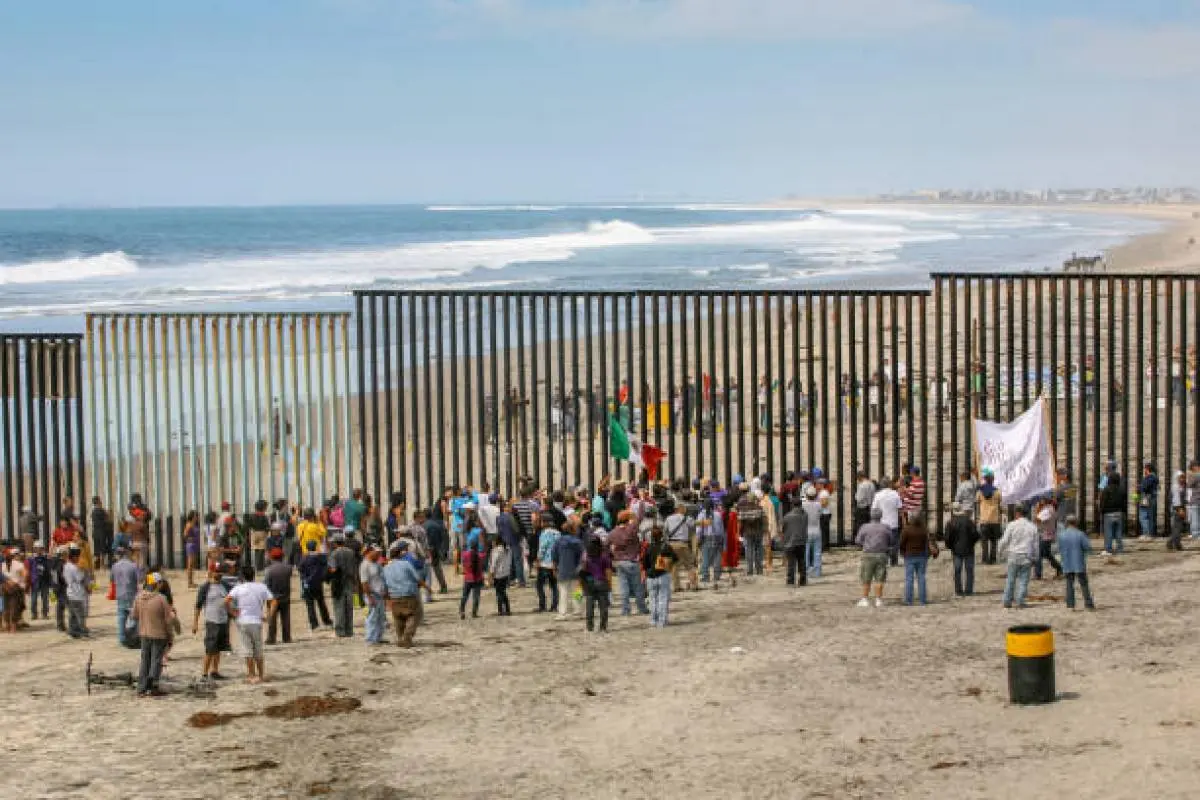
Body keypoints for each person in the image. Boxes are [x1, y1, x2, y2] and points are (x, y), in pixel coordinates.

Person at [224, 564, 276, 684]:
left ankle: (251, 675)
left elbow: (226, 601)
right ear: (254, 575)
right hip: (256, 621)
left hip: (242, 621)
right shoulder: (261, 587)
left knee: (247, 650)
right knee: (258, 649)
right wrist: (269, 615)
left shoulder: (238, 588)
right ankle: (261, 675)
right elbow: (274, 601)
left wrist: (232, 612)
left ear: (242, 576)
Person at [131, 574, 174, 696]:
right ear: (157, 584)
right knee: (156, 661)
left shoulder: (139, 597)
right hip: (159, 634)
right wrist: (170, 635)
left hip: (144, 634)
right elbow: (168, 620)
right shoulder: (161, 599)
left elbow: (134, 615)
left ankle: (141, 688)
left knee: (145, 660)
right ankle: (152, 687)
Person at [382, 540, 427, 647]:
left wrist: (387, 598)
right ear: (400, 554)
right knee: (414, 615)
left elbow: (384, 584)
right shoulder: (406, 564)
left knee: (398, 618)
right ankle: (407, 637)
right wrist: (426, 587)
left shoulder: (385, 568)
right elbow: (417, 578)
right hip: (409, 593)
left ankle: (400, 638)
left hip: (394, 595)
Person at [192, 563, 230, 680]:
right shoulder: (205, 587)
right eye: (217, 571)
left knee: (219, 647)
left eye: (220, 572)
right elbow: (198, 606)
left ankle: (214, 671)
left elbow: (231, 600)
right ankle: (204, 673)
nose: (219, 574)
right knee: (210, 648)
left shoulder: (226, 585)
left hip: (224, 621)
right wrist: (195, 623)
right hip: (212, 621)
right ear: (211, 572)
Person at [997, 505, 1039, 610]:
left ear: (1017, 514)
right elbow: (1035, 544)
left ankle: (1007, 601)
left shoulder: (1012, 525)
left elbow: (1005, 540)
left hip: (1013, 555)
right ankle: (1020, 601)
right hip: (1026, 556)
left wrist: (1000, 551)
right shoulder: (1032, 527)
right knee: (1023, 581)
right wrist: (1035, 557)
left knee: (1010, 579)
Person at [1057, 514, 1096, 611]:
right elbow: (1087, 547)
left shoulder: (1061, 535)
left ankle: (1071, 605)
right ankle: (1088, 604)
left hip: (1067, 562)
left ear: (1066, 523)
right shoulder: (1080, 534)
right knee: (1084, 584)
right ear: (1076, 523)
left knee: (1069, 584)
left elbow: (1059, 549)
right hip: (1079, 562)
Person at [642, 527, 678, 628]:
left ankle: (653, 620)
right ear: (661, 535)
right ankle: (662, 621)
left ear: (651, 537)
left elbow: (644, 564)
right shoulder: (666, 546)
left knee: (652, 599)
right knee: (663, 598)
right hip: (663, 574)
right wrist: (667, 563)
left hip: (651, 576)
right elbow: (675, 558)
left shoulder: (648, 548)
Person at [855, 507, 891, 607]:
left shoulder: (865, 527)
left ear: (870, 516)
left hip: (868, 554)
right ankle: (878, 599)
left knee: (866, 577)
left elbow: (858, 540)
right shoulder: (886, 527)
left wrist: (865, 543)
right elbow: (891, 540)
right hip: (882, 554)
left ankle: (865, 598)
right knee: (880, 577)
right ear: (881, 516)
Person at [898, 512, 935, 606]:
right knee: (921, 577)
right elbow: (927, 542)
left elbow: (901, 543)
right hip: (922, 556)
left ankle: (909, 600)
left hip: (909, 555)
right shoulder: (924, 529)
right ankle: (922, 600)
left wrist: (903, 553)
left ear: (911, 518)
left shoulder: (907, 530)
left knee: (909, 578)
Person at [943, 502, 979, 596]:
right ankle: (969, 590)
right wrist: (971, 544)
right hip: (969, 549)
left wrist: (951, 547)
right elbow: (976, 535)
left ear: (953, 511)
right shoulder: (969, 521)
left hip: (956, 550)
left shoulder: (950, 522)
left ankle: (958, 590)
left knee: (957, 570)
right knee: (969, 570)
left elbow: (947, 538)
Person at [298, 540, 334, 632]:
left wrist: (305, 579)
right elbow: (326, 566)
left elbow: (300, 569)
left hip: (307, 584)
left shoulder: (304, 558)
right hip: (318, 583)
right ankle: (327, 621)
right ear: (315, 547)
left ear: (307, 548)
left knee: (310, 605)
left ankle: (314, 625)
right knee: (321, 603)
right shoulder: (321, 557)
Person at [552, 518, 584, 619]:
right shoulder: (578, 542)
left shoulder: (558, 541)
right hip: (576, 569)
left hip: (562, 569)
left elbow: (554, 556)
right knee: (577, 591)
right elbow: (583, 557)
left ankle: (562, 613)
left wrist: (554, 568)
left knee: (563, 592)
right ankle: (578, 611)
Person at [326, 534, 357, 637]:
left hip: (338, 583)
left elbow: (333, 569)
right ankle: (349, 630)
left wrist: (327, 573)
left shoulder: (334, 554)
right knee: (349, 607)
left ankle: (340, 631)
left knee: (339, 606)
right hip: (350, 581)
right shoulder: (351, 552)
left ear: (335, 543)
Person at [662, 501, 697, 592]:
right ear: (681, 509)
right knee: (690, 565)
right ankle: (694, 585)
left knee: (674, 566)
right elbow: (693, 527)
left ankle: (676, 586)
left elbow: (665, 531)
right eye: (684, 509)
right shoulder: (687, 518)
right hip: (683, 544)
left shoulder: (669, 518)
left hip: (672, 544)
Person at [580, 536, 612, 633]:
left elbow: (582, 571)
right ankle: (603, 627)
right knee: (603, 607)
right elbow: (608, 572)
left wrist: (581, 585)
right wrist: (609, 585)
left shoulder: (585, 556)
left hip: (589, 583)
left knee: (589, 606)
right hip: (602, 582)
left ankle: (589, 627)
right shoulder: (604, 556)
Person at [110, 547, 140, 647]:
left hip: (120, 594)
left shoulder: (114, 566)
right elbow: (139, 580)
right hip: (132, 594)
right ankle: (132, 636)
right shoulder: (133, 566)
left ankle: (122, 638)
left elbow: (112, 580)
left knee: (121, 617)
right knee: (134, 617)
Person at [871, 477, 903, 567]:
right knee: (894, 543)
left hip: (882, 523)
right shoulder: (895, 494)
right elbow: (900, 508)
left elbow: (874, 509)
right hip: (893, 522)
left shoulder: (878, 495)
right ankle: (894, 561)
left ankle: (884, 560)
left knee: (883, 542)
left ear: (881, 485)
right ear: (889, 484)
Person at [263, 549, 293, 645]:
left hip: (272, 597)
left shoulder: (268, 570)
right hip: (285, 596)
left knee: (272, 618)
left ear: (271, 557)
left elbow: (266, 584)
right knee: (286, 618)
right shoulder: (288, 568)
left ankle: (271, 638)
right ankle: (287, 637)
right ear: (282, 557)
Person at [358, 545, 386, 644]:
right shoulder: (364, 565)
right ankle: (370, 639)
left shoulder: (377, 564)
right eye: (377, 553)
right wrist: (369, 597)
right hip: (371, 595)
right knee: (371, 617)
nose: (379, 555)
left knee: (381, 617)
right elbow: (364, 583)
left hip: (380, 594)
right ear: (370, 552)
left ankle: (378, 637)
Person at [736, 485, 765, 576]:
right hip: (758, 532)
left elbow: (740, 522)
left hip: (747, 532)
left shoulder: (743, 509)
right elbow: (764, 520)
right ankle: (759, 569)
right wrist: (764, 530)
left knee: (749, 550)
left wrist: (738, 532)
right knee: (758, 550)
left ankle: (750, 570)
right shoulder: (759, 508)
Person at [1099, 461, 1127, 556]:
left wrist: (1102, 510)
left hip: (1108, 513)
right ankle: (1120, 549)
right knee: (1119, 532)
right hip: (1119, 513)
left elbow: (1103, 501)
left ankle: (1108, 549)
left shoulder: (1106, 489)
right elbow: (1124, 502)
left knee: (1108, 532)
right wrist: (1123, 511)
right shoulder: (1121, 489)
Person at [976, 469, 1003, 564]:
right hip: (995, 519)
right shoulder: (997, 492)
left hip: (984, 519)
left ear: (985, 480)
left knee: (984, 541)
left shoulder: (980, 491)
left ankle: (985, 559)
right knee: (994, 541)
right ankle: (993, 559)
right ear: (993, 480)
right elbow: (1000, 504)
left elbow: (977, 502)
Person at [781, 495, 808, 586]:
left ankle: (790, 580)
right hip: (801, 541)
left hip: (790, 542)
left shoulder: (787, 516)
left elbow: (783, 529)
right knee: (801, 561)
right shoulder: (805, 515)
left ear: (792, 505)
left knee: (791, 563)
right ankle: (803, 580)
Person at [62, 546, 90, 638]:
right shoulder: (74, 568)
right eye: (77, 556)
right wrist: (85, 572)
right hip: (77, 593)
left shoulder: (66, 566)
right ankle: (83, 630)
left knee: (72, 614)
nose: (78, 558)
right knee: (80, 614)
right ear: (73, 557)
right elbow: (80, 579)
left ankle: (72, 631)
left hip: (70, 592)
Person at [422, 506, 450, 596]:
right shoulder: (437, 524)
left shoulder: (424, 526)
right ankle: (443, 586)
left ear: (424, 516)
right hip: (437, 549)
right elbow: (443, 537)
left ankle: (426, 590)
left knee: (425, 570)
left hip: (428, 550)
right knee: (437, 569)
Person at [535, 516, 561, 613]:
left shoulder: (544, 534)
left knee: (539, 585)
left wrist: (538, 560)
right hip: (555, 563)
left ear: (545, 523)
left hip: (545, 563)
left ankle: (542, 605)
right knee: (554, 585)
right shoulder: (558, 533)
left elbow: (543, 548)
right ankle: (554, 605)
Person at [459, 533, 487, 620]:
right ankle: (474, 613)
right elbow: (485, 552)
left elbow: (462, 551)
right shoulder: (480, 556)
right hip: (477, 579)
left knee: (465, 596)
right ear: (477, 547)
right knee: (476, 597)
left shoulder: (465, 555)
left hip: (468, 579)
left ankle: (462, 611)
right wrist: (482, 541)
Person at [1033, 504, 1063, 580]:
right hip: (1048, 535)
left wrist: (1037, 511)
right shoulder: (1052, 510)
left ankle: (1038, 574)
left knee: (1038, 554)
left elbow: (1037, 520)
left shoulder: (1046, 510)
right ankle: (1059, 568)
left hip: (1045, 536)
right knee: (1047, 554)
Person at [800, 485, 824, 578]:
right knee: (817, 552)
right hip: (816, 529)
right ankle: (817, 571)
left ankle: (806, 570)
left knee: (806, 552)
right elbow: (820, 514)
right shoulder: (818, 504)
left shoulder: (803, 505)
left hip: (806, 530)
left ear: (807, 495)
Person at [26, 544, 51, 621]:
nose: (39, 550)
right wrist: (29, 581)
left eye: (40, 548)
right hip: (35, 581)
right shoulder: (31, 559)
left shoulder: (46, 558)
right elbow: (28, 570)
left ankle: (45, 614)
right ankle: (34, 614)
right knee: (34, 599)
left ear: (42, 549)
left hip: (44, 580)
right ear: (34, 549)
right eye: (37, 548)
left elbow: (49, 568)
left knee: (45, 598)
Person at [488, 536, 513, 616]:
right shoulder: (508, 549)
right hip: (505, 574)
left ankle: (500, 610)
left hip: (498, 574)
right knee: (503, 592)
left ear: (496, 542)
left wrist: (491, 576)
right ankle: (507, 609)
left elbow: (493, 565)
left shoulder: (496, 551)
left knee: (499, 593)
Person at [246, 501, 271, 571]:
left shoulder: (252, 516)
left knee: (256, 551)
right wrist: (267, 532)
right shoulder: (264, 516)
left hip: (254, 534)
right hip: (262, 534)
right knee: (261, 551)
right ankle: (260, 567)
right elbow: (267, 527)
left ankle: (256, 566)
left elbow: (248, 525)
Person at [1137, 463, 1159, 540]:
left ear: (1147, 469)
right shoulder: (1154, 477)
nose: (1144, 470)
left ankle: (1146, 533)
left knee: (1143, 516)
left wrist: (1139, 487)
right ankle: (1150, 534)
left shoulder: (1150, 477)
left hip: (1146, 497)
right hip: (1151, 497)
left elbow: (1144, 487)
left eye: (1145, 469)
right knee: (1151, 516)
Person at [90, 497, 113, 570]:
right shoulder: (101, 511)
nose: (101, 503)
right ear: (98, 502)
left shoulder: (93, 512)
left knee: (96, 548)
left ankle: (96, 565)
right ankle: (102, 565)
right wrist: (108, 514)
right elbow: (107, 519)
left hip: (95, 532)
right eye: (100, 502)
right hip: (101, 532)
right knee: (102, 549)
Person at [181, 511, 201, 588]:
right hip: (191, 545)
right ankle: (189, 582)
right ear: (193, 517)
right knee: (190, 564)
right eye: (196, 516)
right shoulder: (189, 524)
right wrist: (191, 539)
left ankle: (191, 581)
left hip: (195, 545)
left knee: (192, 564)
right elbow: (185, 535)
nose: (197, 517)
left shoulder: (194, 524)